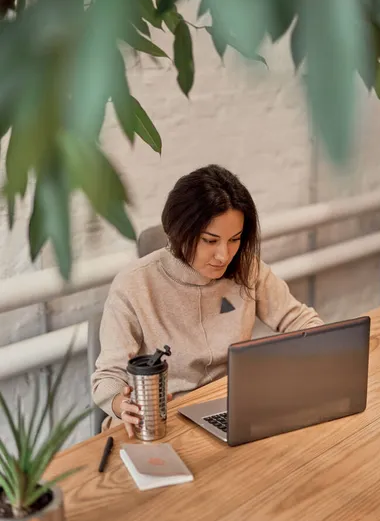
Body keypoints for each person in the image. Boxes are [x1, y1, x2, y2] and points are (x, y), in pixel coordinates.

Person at [91, 164, 323, 436]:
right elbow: (107, 377)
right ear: (179, 232)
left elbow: (298, 319)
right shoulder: (134, 285)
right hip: (160, 423)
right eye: (210, 240)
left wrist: (327, 350)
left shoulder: (247, 268)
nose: (224, 255)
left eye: (234, 239)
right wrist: (122, 404)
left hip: (229, 410)